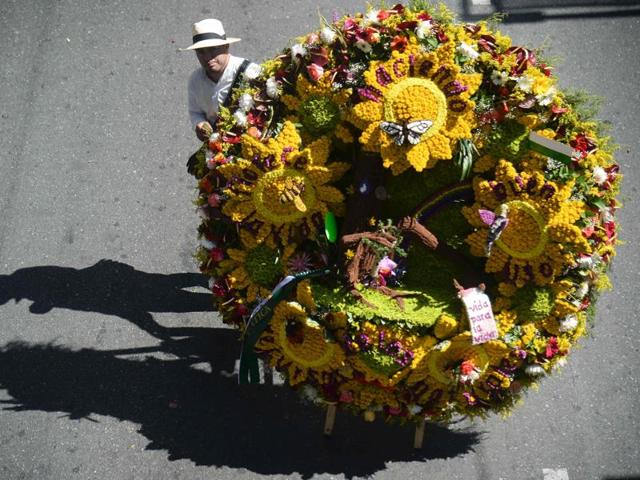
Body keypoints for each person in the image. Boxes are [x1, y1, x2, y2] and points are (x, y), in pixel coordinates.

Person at [181, 18, 255, 142]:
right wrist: (199, 123)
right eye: (201, 52)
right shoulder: (195, 80)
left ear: (226, 46)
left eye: (213, 49)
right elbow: (195, 112)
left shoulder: (249, 72)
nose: (208, 57)